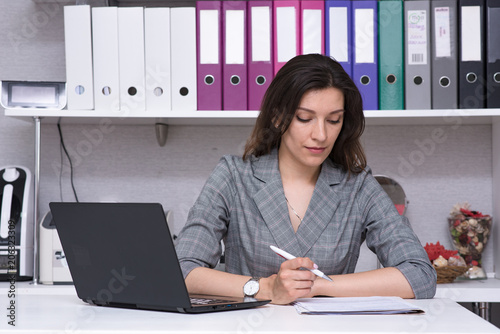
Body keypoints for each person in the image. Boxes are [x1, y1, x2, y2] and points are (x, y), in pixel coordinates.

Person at [175, 54, 437, 305]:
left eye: (333, 120)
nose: (321, 134)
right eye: (305, 118)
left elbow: (420, 275)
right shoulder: (234, 176)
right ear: (278, 117)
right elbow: (182, 270)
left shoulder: (357, 186)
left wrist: (317, 285)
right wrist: (265, 288)